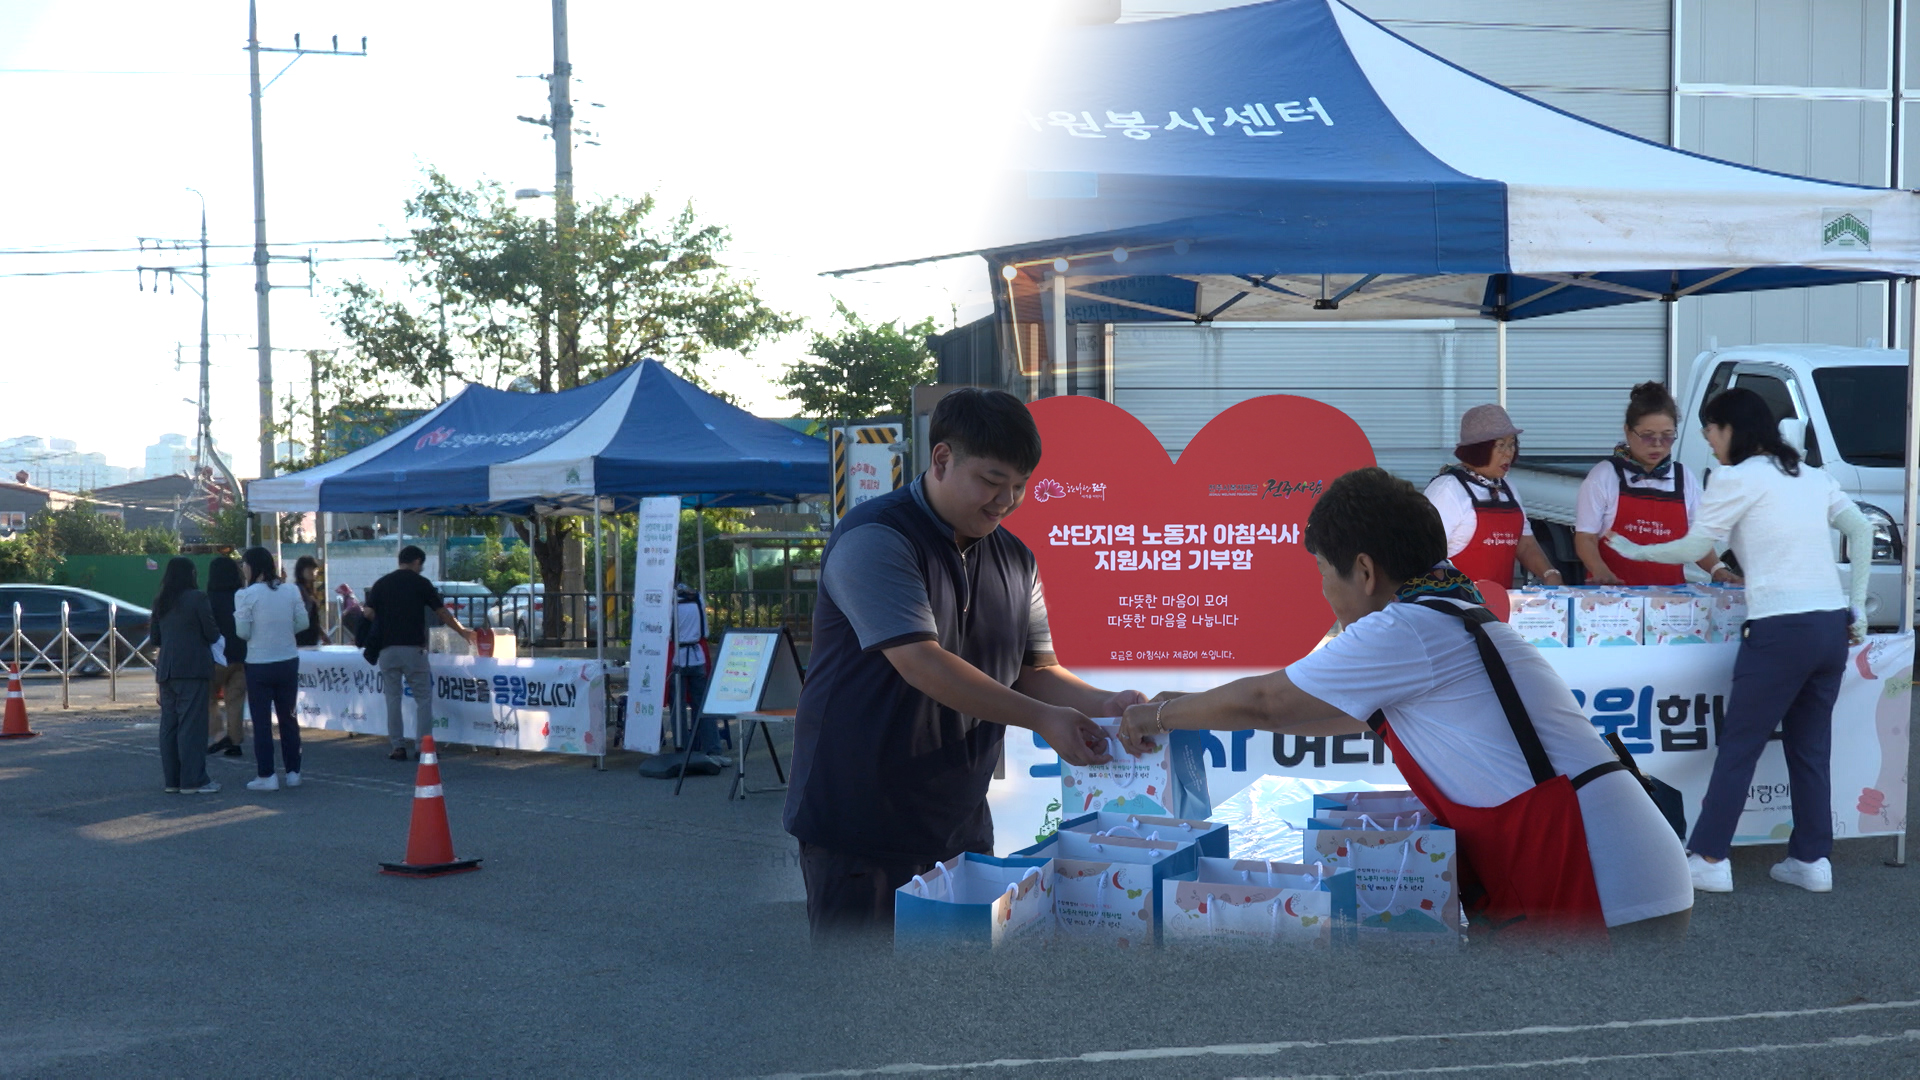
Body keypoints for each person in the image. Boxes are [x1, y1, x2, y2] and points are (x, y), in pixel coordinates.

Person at [1119, 467, 1693, 941]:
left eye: (1323, 572)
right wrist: (1193, 706)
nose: (1323, 591)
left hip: (1607, 876)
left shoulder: (1409, 626)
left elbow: (1269, 703)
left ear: (1365, 571)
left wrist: (1158, 717)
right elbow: (1333, 714)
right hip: (1614, 859)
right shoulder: (1447, 605)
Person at [784, 388, 1141, 939]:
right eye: (992, 482)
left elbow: (1037, 669)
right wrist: (1044, 720)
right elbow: (923, 664)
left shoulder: (1017, 559)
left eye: (1020, 486)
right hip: (859, 822)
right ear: (942, 459)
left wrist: (1107, 704)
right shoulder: (875, 538)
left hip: (960, 819)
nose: (1007, 500)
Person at [1607, 387, 1873, 894]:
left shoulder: (1735, 477)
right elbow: (1860, 531)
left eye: (1710, 428)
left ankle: (1709, 856)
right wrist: (1856, 605)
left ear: (1732, 429)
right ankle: (1813, 861)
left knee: (1740, 746)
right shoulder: (1812, 475)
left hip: (1780, 631)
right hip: (1829, 629)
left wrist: (1634, 545)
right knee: (1811, 749)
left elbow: (1694, 547)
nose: (1706, 438)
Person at [1575, 382, 1731, 586]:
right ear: (1628, 432)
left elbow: (1697, 539)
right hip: (1613, 602)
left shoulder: (1684, 478)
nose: (1657, 444)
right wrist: (1601, 572)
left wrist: (1718, 569)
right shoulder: (1604, 475)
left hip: (1671, 603)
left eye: (1667, 436)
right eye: (1648, 436)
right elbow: (1585, 538)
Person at [1424, 404, 1562, 589]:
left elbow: (1525, 544)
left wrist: (1549, 573)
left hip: (1499, 608)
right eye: (1501, 445)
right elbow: (1420, 552)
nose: (1509, 452)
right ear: (1477, 450)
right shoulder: (1448, 490)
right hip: (1453, 609)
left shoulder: (1508, 489)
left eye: (1512, 444)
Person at [364, 545, 474, 761]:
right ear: (416, 562)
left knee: (392, 698)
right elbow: (441, 613)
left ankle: (397, 746)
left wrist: (385, 622)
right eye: (421, 564)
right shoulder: (421, 583)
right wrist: (462, 632)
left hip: (387, 650)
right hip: (413, 649)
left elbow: (368, 612)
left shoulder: (381, 583)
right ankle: (423, 745)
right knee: (423, 698)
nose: (421, 568)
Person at [235, 546, 307, 792]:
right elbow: (303, 622)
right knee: (289, 717)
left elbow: (242, 632)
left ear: (252, 566)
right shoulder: (291, 590)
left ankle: (267, 775)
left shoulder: (245, 595)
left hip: (258, 663)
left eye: (244, 564)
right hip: (288, 659)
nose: (243, 568)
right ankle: (294, 772)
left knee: (262, 721)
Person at [151, 557, 221, 795]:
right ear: (191, 574)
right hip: (192, 669)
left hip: (167, 670)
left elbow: (155, 638)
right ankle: (194, 780)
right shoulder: (198, 598)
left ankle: (172, 780)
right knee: (192, 726)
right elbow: (211, 633)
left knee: (169, 727)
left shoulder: (161, 601)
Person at [205, 556, 248, 758]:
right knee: (235, 700)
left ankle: (218, 734)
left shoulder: (209, 599)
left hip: (217, 659)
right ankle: (235, 741)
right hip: (241, 656)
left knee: (207, 698)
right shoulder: (243, 596)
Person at [674, 583, 723, 761]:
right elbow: (706, 632)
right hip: (698, 656)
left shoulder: (669, 599)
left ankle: (683, 748)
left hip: (677, 657)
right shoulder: (696, 596)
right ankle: (712, 747)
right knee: (701, 705)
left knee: (677, 706)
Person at [292, 555, 330, 647]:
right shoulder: (297, 590)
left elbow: (314, 618)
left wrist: (322, 634)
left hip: (311, 638)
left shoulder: (311, 590)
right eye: (309, 569)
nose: (312, 572)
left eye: (314, 569)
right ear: (301, 571)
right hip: (301, 638)